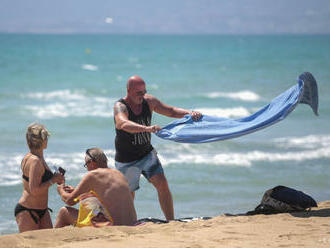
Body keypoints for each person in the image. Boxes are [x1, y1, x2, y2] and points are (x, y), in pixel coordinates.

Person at [113, 75, 202, 221]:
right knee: (129, 194)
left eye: (144, 91)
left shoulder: (149, 101)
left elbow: (171, 111)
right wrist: (146, 128)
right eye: (138, 93)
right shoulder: (120, 106)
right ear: (128, 90)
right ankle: (129, 223)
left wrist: (190, 113)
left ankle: (171, 221)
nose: (142, 96)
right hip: (127, 159)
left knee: (162, 183)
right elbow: (122, 124)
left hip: (146, 154)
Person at [55, 147, 137, 227]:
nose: (87, 169)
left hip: (113, 226)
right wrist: (77, 191)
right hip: (132, 223)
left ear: (91, 162)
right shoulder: (119, 174)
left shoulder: (93, 175)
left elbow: (70, 201)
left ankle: (54, 239)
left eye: (86, 165)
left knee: (64, 212)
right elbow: (117, 197)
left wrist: (60, 189)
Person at [15, 123, 65, 233]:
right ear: (43, 141)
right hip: (28, 211)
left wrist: (58, 179)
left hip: (42, 210)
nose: (47, 140)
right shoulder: (35, 161)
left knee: (50, 243)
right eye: (46, 138)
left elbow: (43, 180)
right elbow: (34, 190)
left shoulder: (37, 156)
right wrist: (53, 180)